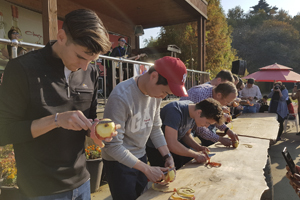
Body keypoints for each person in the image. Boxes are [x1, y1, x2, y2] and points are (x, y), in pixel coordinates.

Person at [0, 9, 119, 199]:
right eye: (81, 56)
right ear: (61, 36)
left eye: (92, 60)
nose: (84, 66)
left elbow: (89, 119)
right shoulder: (21, 69)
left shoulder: (90, 72)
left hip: (83, 183)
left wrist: (96, 130)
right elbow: (4, 131)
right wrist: (55, 120)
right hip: (40, 190)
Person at [102, 56, 188, 200]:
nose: (163, 96)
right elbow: (112, 145)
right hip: (118, 162)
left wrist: (167, 156)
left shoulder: (155, 95)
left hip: (140, 157)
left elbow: (155, 128)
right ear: (154, 76)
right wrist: (147, 169)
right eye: (165, 92)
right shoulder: (121, 96)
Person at [146, 98, 224, 170]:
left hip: (175, 147)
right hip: (157, 149)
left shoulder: (194, 112)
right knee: (164, 178)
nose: (207, 126)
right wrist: (195, 155)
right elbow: (171, 143)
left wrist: (198, 147)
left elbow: (186, 135)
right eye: (207, 122)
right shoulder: (175, 111)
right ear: (199, 112)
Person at [180, 82, 239, 147]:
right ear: (219, 95)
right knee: (187, 150)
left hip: (192, 123)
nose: (226, 105)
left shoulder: (214, 93)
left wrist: (227, 130)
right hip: (181, 125)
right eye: (227, 102)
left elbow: (213, 116)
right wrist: (220, 139)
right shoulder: (201, 97)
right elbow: (200, 128)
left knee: (210, 139)